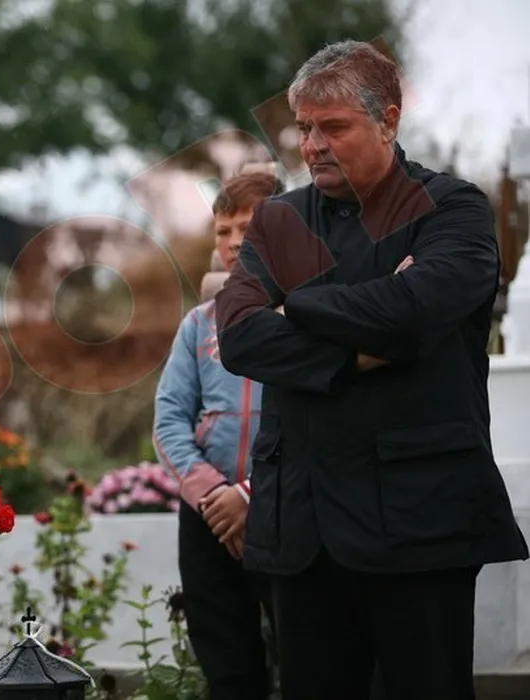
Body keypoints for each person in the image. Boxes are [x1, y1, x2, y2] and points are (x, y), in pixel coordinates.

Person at [215, 40, 528, 700]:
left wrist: (295, 304)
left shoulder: (452, 210)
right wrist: (356, 348)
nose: (313, 146)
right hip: (302, 528)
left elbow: (412, 311)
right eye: (304, 128)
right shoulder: (279, 220)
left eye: (333, 127)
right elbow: (240, 338)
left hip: (421, 524)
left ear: (388, 120)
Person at [154, 171, 283, 700]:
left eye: (246, 229)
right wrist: (214, 497)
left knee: (311, 660)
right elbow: (169, 419)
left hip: (284, 506)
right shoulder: (199, 323)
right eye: (222, 231)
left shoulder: (304, 315)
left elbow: (313, 422)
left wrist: (248, 496)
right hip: (207, 517)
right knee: (228, 668)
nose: (232, 243)